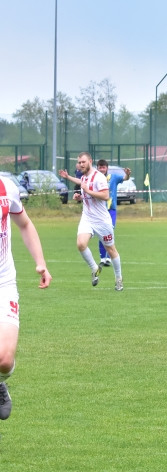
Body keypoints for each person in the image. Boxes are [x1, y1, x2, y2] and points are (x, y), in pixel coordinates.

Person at [0, 173, 52, 420]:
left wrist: (41, 262)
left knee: (4, 359)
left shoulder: (6, 187)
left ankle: (1, 382)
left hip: (3, 282)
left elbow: (25, 224)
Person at [60, 152, 123, 291]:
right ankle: (95, 268)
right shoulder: (84, 177)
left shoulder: (99, 177)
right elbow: (83, 186)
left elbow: (105, 196)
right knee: (81, 244)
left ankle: (119, 279)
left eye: (83, 162)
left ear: (90, 161)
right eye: (79, 162)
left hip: (102, 221)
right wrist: (79, 196)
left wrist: (87, 191)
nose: (80, 164)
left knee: (111, 250)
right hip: (87, 218)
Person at [95, 160, 130, 267]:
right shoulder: (95, 178)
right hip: (100, 211)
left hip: (111, 210)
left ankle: (109, 258)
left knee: (110, 232)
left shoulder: (113, 178)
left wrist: (127, 174)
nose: (101, 170)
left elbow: (124, 178)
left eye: (103, 167)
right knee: (101, 233)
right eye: (100, 167)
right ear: (97, 168)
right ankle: (102, 258)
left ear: (107, 168)